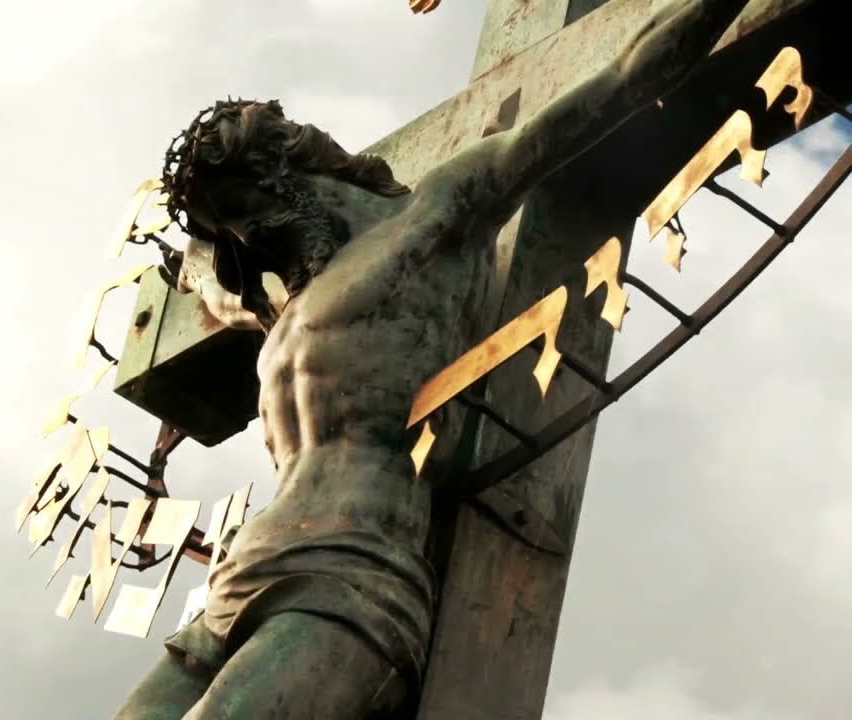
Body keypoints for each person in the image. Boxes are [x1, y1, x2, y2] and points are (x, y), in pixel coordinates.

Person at [115, 2, 752, 717]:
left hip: (352, 571)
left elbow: (625, 79)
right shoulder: (287, 312)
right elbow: (209, 287)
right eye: (233, 229)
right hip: (238, 579)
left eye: (246, 210)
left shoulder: (434, 215)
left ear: (287, 171)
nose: (249, 238)